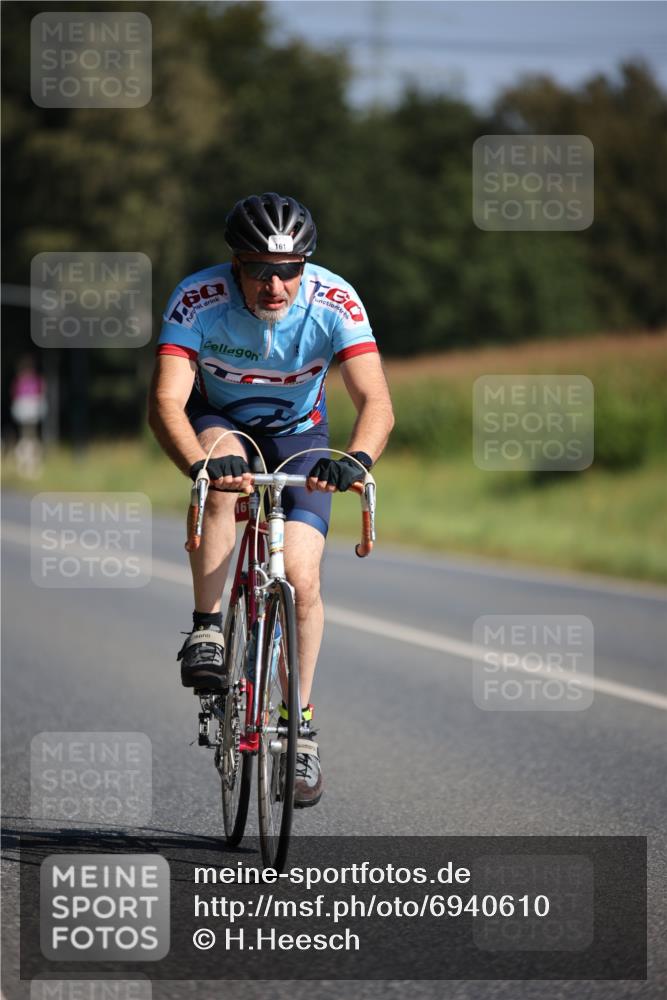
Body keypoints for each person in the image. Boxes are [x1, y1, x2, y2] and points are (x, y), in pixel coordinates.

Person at [148, 192, 394, 807]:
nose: (275, 285)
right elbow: (166, 403)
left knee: (302, 578)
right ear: (236, 265)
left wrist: (356, 460)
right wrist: (200, 465)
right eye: (260, 269)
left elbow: (376, 403)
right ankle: (208, 629)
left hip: (300, 432)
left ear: (305, 266)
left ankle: (299, 724)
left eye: (289, 270)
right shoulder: (198, 298)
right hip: (220, 423)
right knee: (221, 480)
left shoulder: (335, 301)